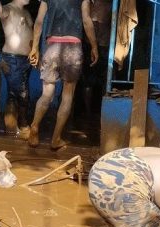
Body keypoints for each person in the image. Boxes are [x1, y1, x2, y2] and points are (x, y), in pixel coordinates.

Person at [28, 0, 99, 150]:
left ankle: (35, 127)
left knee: (46, 94)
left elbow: (39, 21)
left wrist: (35, 47)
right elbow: (87, 21)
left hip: (52, 46)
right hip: (73, 48)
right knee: (68, 95)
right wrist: (94, 46)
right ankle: (56, 139)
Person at [0, 0, 34, 139]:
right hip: (12, 59)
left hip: (26, 60)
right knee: (22, 94)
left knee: (15, 94)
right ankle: (23, 125)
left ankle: (11, 129)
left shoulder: (26, 12)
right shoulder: (9, 9)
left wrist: (35, 51)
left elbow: (31, 33)